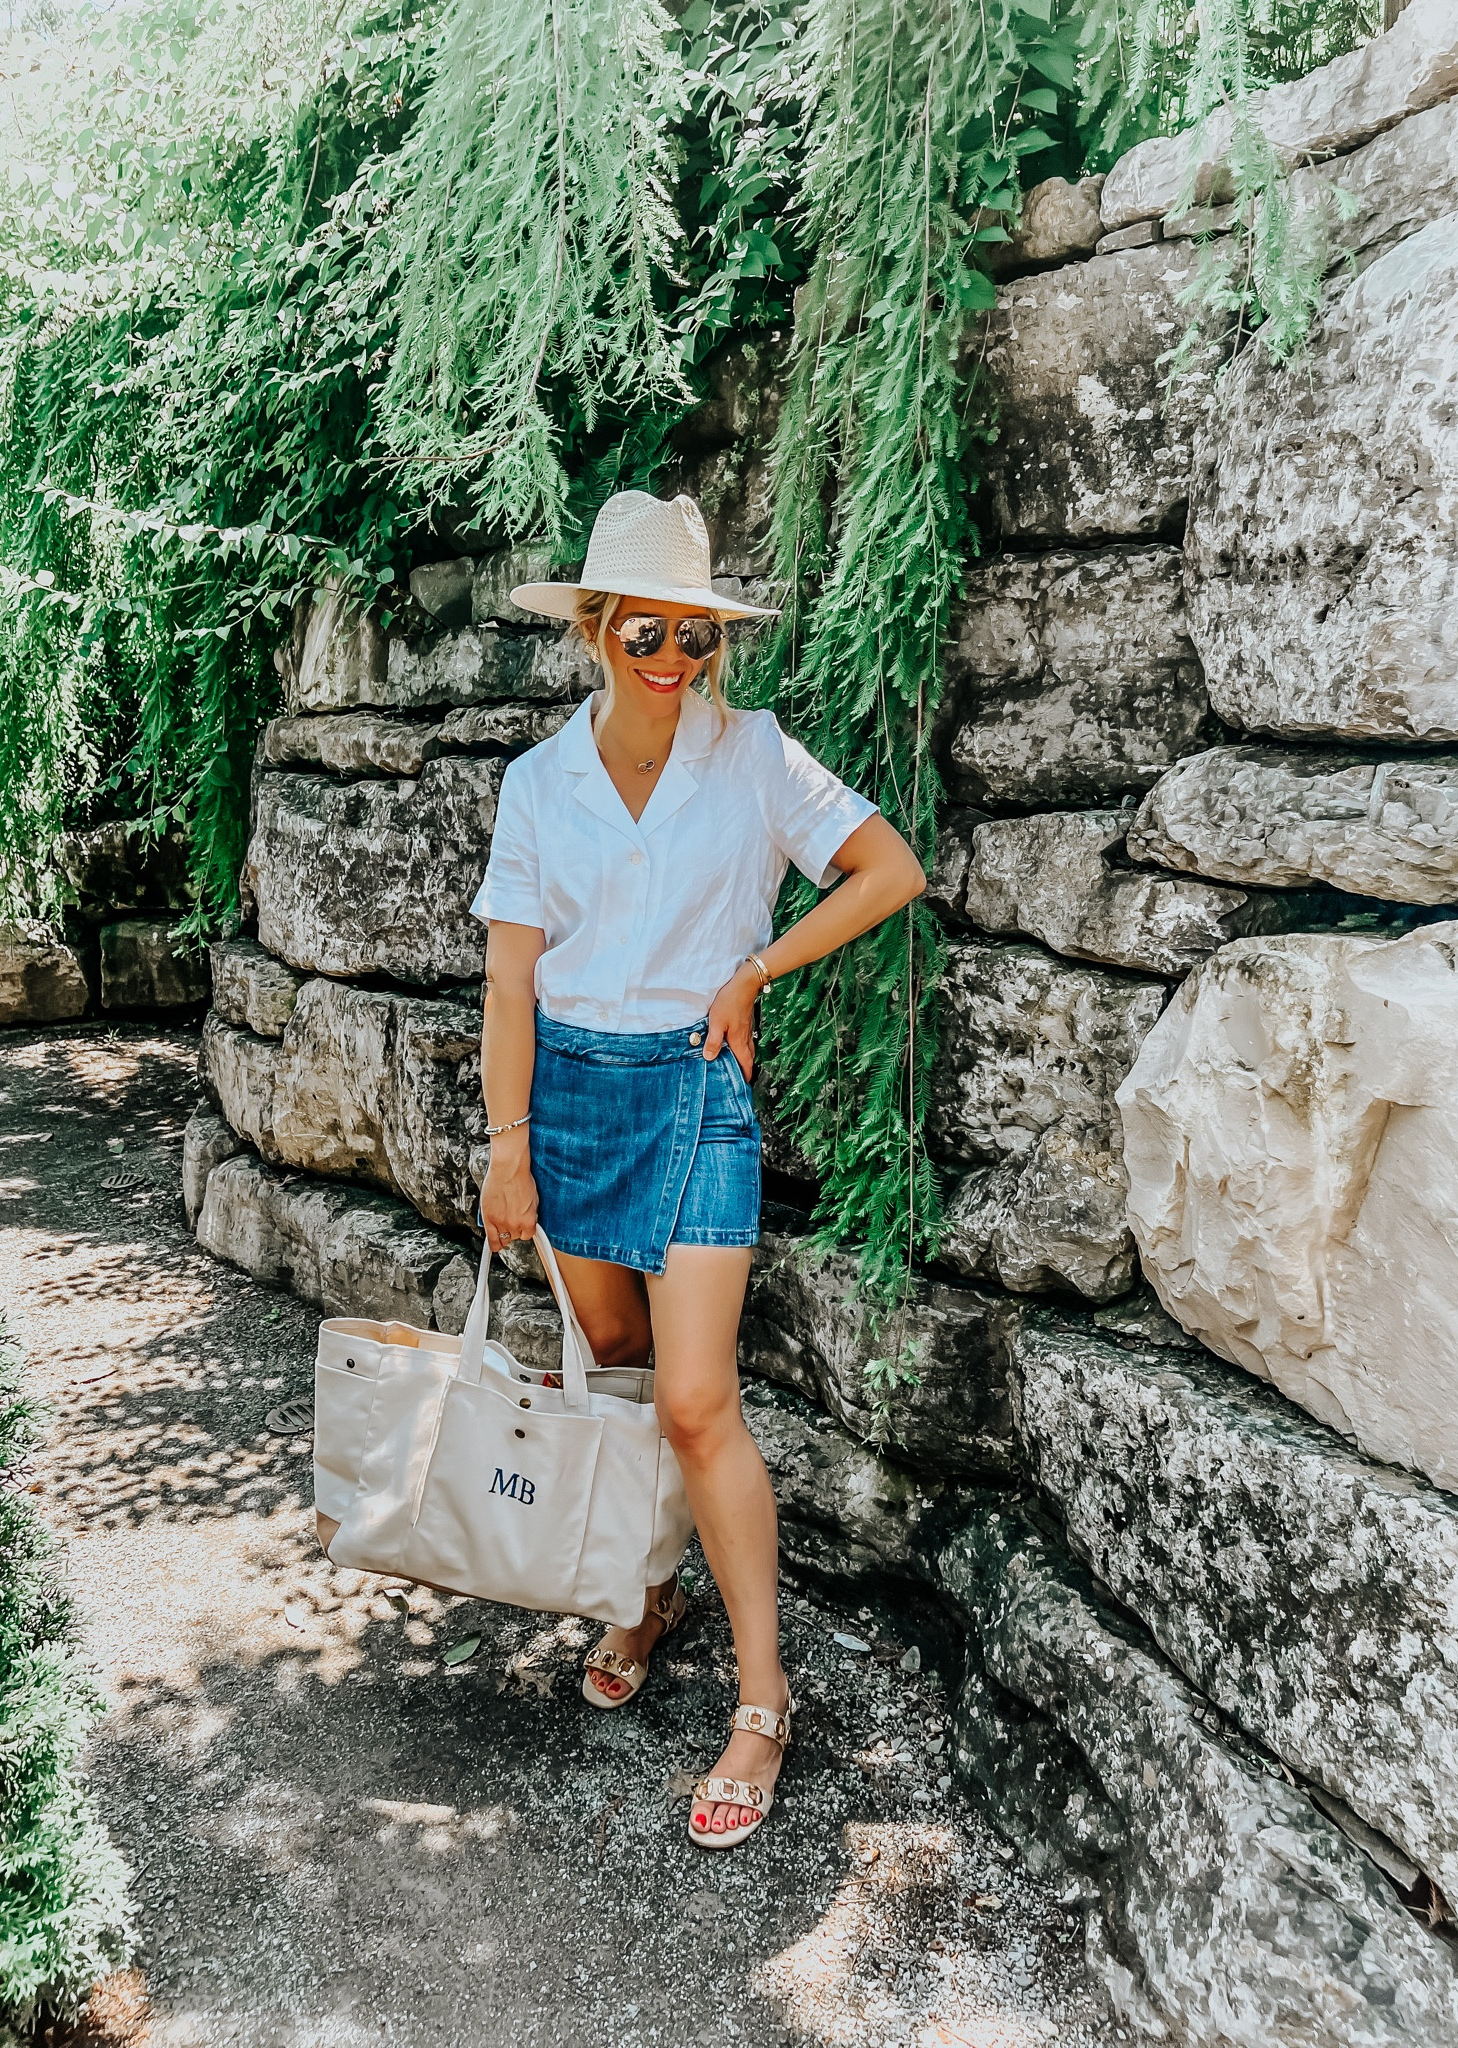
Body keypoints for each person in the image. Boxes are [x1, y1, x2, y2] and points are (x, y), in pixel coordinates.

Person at [469, 490, 925, 1851]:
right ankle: (643, 1590)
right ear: (598, 630)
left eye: (700, 638)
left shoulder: (760, 757)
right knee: (612, 1364)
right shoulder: (537, 783)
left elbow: (888, 868)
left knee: (693, 1397)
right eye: (650, 631)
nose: (676, 657)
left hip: (695, 1090)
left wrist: (759, 966)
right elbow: (508, 985)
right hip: (566, 1102)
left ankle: (763, 1702)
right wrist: (504, 1149)